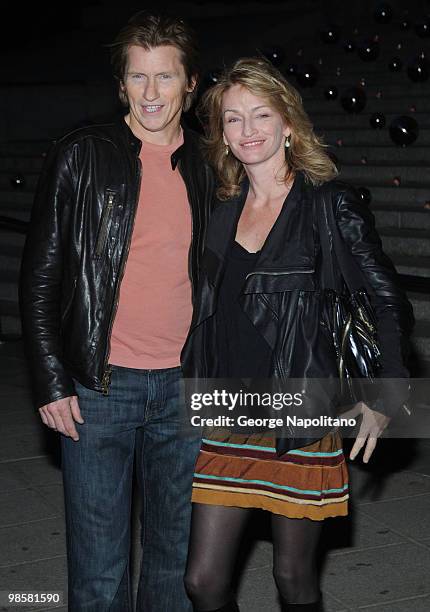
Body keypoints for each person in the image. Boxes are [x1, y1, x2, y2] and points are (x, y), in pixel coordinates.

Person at [181, 57, 414, 612]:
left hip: (302, 412)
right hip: (229, 410)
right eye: (233, 119)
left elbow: (387, 301)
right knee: (203, 582)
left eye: (261, 114)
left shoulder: (329, 204)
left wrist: (386, 393)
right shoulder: (220, 209)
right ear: (221, 132)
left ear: (289, 123)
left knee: (293, 579)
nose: (248, 130)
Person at [19, 11, 214, 611]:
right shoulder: (83, 154)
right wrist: (52, 382)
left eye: (164, 77)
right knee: (99, 574)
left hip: (186, 389)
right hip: (101, 388)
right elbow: (41, 276)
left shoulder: (212, 164)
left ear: (190, 84)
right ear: (121, 84)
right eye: (137, 77)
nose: (151, 93)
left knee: (174, 567)